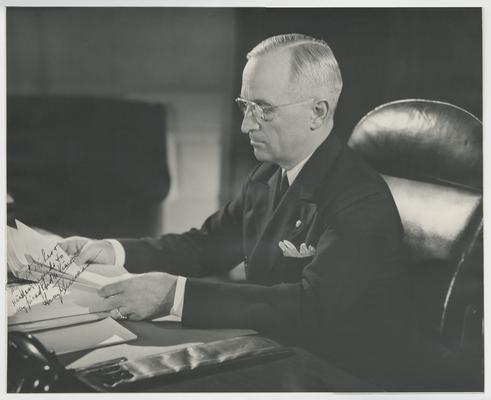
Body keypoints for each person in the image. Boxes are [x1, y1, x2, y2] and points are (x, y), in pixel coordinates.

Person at [60, 33, 412, 384]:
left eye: (264, 109)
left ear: (317, 112)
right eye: (246, 107)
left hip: (338, 373)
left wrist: (173, 296)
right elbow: (206, 245)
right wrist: (114, 251)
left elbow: (308, 308)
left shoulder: (360, 200)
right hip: (275, 348)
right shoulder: (268, 174)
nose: (246, 125)